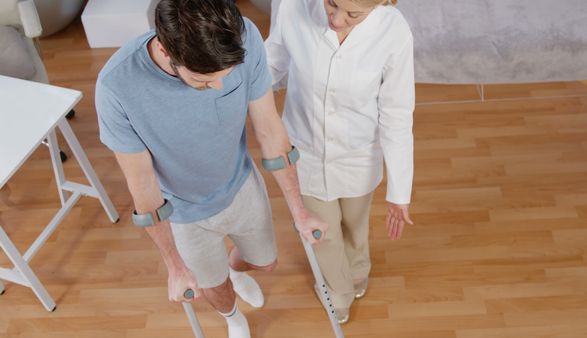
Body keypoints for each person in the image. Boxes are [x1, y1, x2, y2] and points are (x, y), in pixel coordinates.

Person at [95, 1, 327, 337]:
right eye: (204, 81)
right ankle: (233, 317)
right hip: (184, 211)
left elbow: (269, 129)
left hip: (240, 183)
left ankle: (235, 270)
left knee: (265, 263)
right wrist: (174, 266)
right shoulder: (117, 88)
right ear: (164, 48)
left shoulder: (243, 35)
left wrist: (300, 211)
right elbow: (143, 188)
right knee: (213, 288)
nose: (218, 87)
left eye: (225, 78)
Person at [266, 0, 415, 324]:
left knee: (354, 223)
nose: (335, 21)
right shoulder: (294, 8)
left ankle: (358, 271)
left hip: (358, 155)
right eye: (331, 4)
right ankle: (338, 291)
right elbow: (271, 64)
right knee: (325, 234)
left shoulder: (394, 30)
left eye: (352, 14)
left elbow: (397, 113)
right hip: (304, 150)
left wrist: (399, 191)